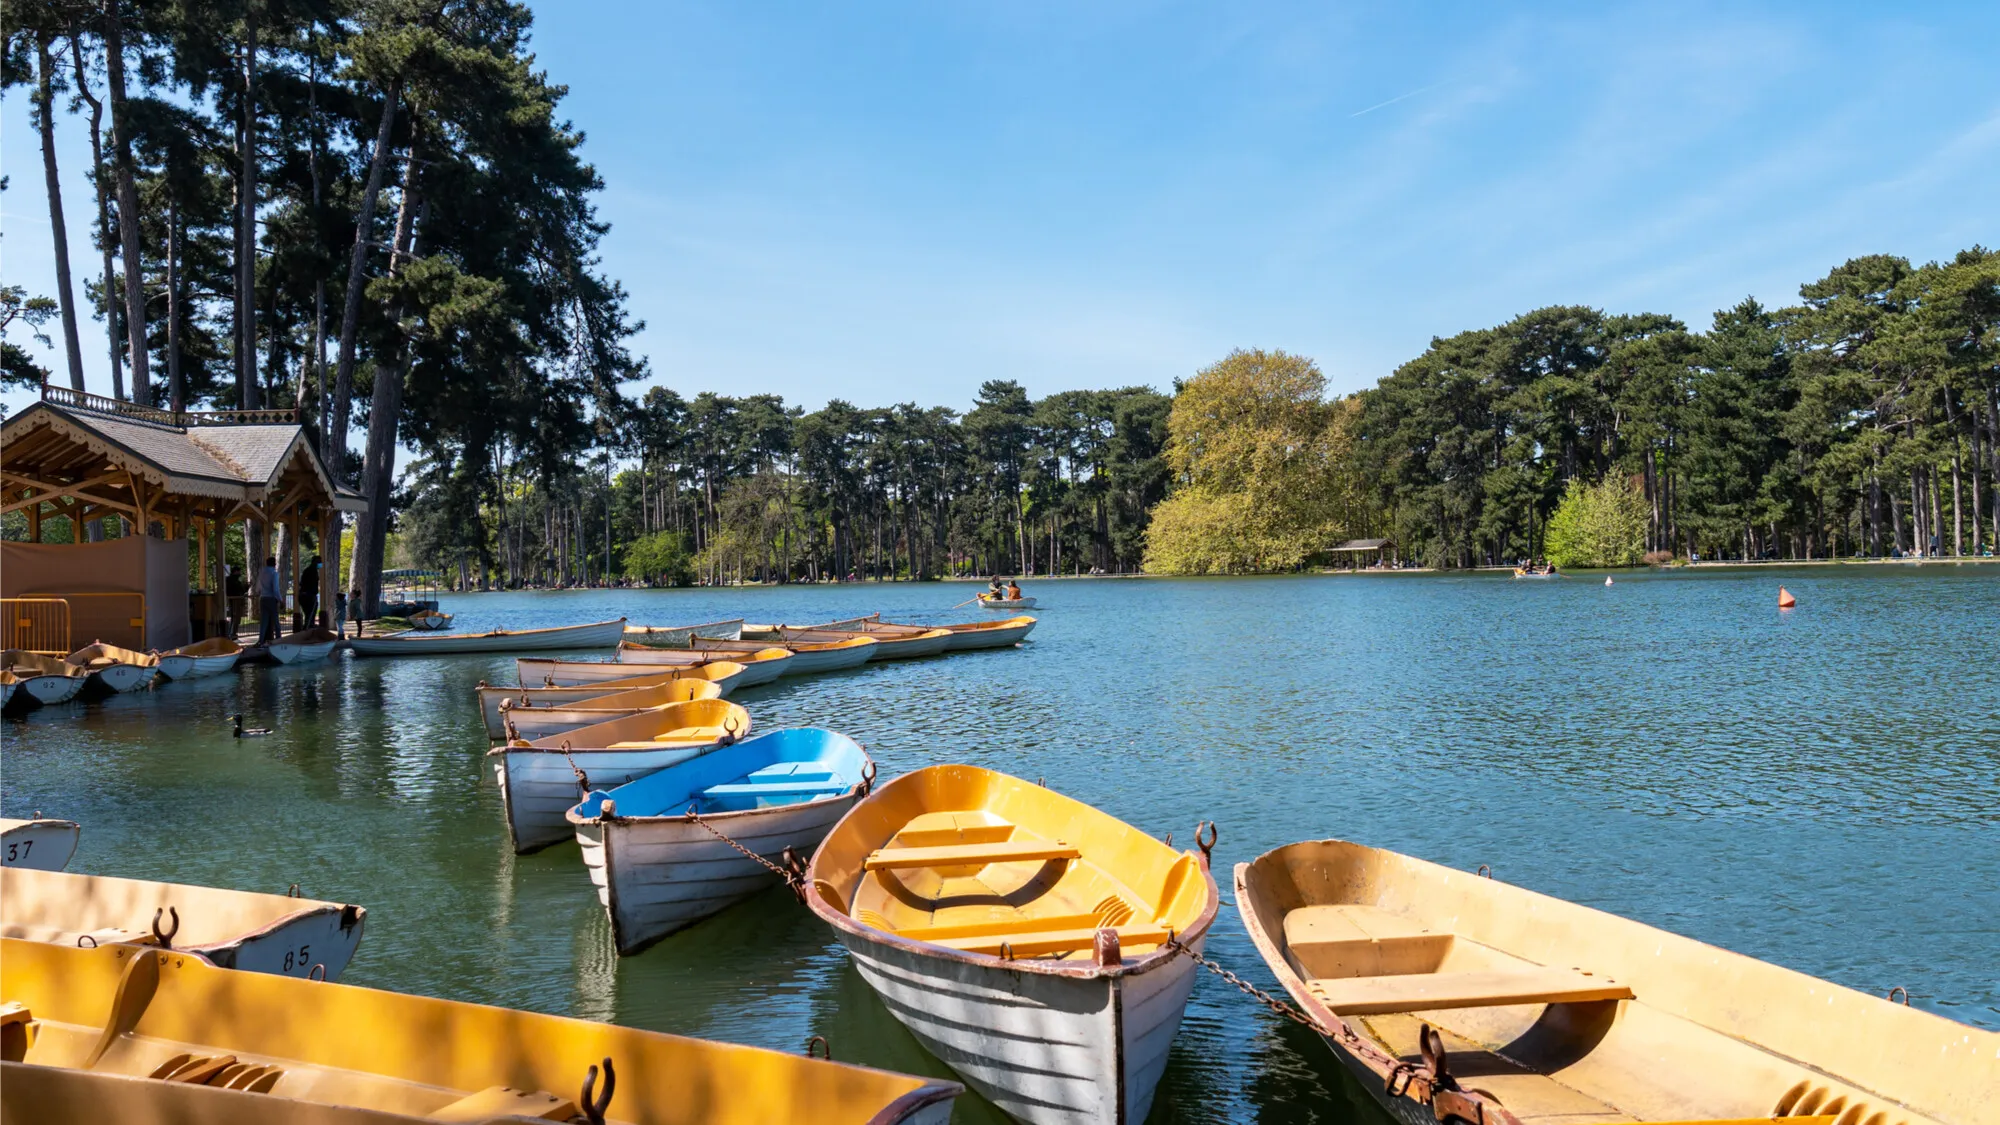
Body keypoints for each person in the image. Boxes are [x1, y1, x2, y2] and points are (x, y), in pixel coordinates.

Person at [255, 556, 284, 646]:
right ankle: (279, 639)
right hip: (271, 599)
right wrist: (281, 600)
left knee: (264, 621)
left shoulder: (261, 573)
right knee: (276, 620)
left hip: (263, 598)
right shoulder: (274, 574)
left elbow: (258, 588)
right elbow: (275, 589)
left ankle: (261, 640)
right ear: (274, 563)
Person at [300, 555, 323, 626]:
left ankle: (309, 625)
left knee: (309, 615)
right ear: (315, 562)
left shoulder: (308, 570)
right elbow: (311, 584)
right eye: (319, 562)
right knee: (310, 614)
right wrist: (312, 593)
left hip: (305, 595)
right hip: (308, 595)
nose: (321, 564)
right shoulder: (312, 571)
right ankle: (308, 627)